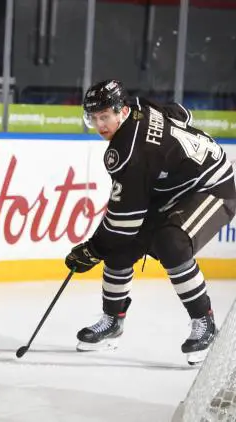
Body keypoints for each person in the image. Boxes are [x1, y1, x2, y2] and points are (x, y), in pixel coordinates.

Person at [65, 79, 236, 364]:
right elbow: (181, 113)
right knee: (120, 250)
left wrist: (92, 250)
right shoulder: (141, 105)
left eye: (105, 116)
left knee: (171, 243)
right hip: (175, 190)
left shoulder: (126, 152)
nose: (100, 125)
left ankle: (205, 324)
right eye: (94, 118)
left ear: (121, 111)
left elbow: (123, 223)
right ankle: (113, 321)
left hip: (212, 186)